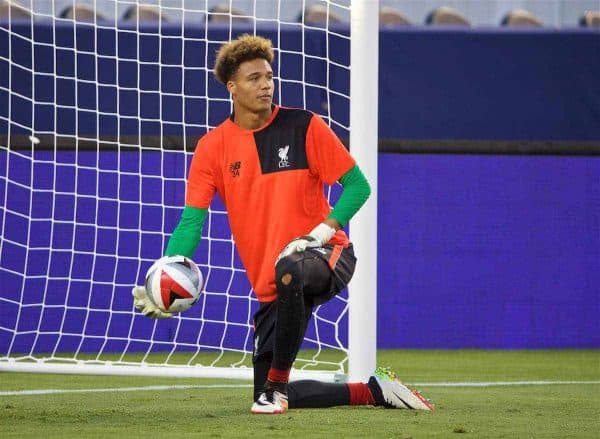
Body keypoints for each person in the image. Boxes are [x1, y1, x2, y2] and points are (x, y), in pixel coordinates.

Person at [132, 34, 434, 415]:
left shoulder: (304, 125)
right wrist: (167, 271)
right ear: (232, 87)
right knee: (268, 390)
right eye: (254, 78)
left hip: (326, 253)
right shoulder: (212, 147)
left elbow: (358, 186)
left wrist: (322, 231)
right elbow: (193, 219)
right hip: (272, 282)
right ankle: (373, 391)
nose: (265, 85)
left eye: (269, 76)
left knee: (291, 268)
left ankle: (275, 388)